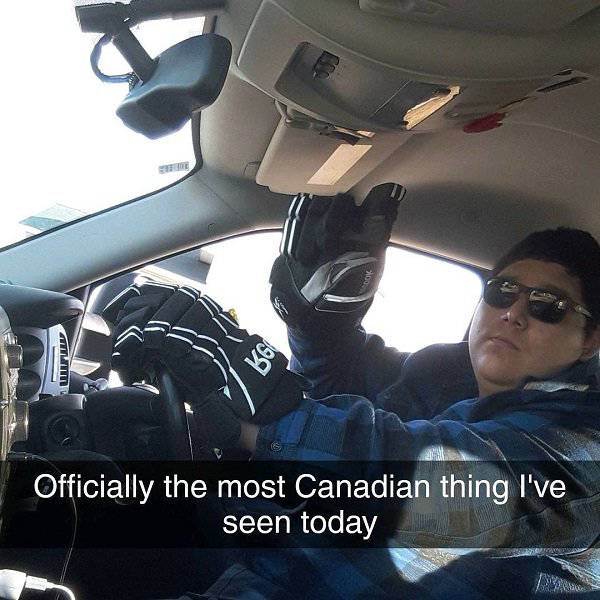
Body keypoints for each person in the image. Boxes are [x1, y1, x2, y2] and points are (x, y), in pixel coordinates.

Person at [105, 185, 600, 598]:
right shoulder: (441, 377)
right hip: (267, 567)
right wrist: (321, 328)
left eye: (547, 305)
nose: (513, 313)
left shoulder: (584, 448)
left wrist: (256, 389)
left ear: (591, 340)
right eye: (502, 291)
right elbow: (343, 394)